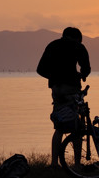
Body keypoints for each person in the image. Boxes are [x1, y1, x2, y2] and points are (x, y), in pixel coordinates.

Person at [36, 27, 91, 167]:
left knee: (59, 128)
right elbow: (86, 68)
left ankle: (54, 163)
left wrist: (55, 77)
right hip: (71, 89)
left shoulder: (52, 45)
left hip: (56, 90)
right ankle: (77, 163)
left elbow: (40, 69)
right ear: (77, 38)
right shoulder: (78, 46)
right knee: (77, 126)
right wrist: (81, 75)